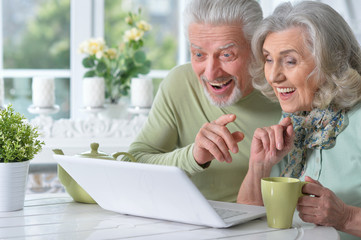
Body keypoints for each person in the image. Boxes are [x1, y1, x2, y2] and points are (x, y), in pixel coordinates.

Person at [123, 0, 282, 202]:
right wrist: (193, 157)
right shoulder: (180, 84)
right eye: (198, 54)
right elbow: (134, 162)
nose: (210, 73)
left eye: (226, 55)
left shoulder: (283, 92)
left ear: (256, 49)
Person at [236, 1, 361, 239]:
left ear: (331, 60)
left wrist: (346, 217)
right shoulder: (294, 122)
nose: (273, 76)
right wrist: (259, 167)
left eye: (290, 61)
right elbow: (245, 222)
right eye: (269, 59)